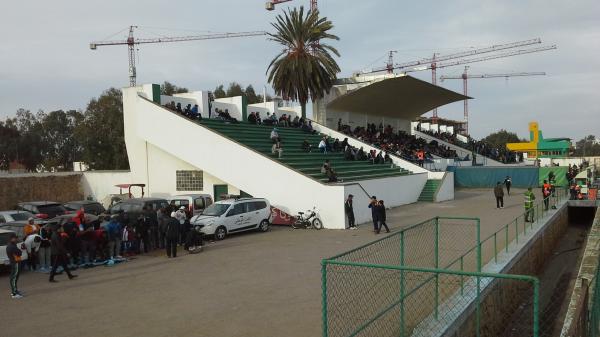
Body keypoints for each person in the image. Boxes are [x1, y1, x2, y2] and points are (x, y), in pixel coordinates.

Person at [6, 233, 23, 298]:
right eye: (15, 238)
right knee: (13, 278)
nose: (16, 239)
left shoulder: (12, 245)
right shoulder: (11, 246)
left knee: (15, 277)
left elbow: (19, 252)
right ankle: (14, 293)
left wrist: (19, 251)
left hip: (15, 262)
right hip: (15, 263)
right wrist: (19, 251)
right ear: (11, 238)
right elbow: (19, 253)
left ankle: (15, 290)